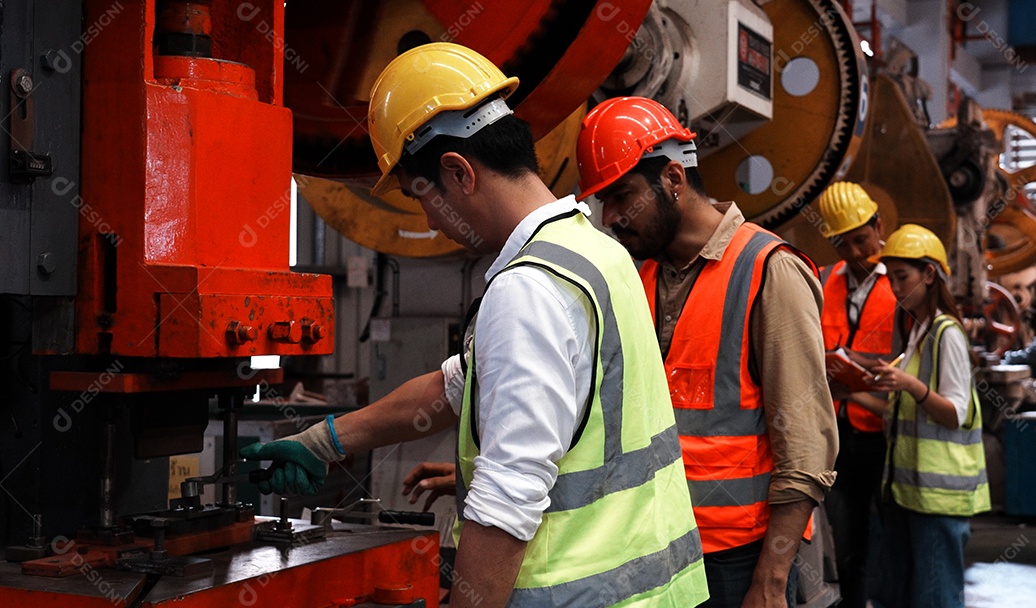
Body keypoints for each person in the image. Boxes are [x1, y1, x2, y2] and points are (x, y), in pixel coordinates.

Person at [241, 44, 708, 607]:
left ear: (458, 173)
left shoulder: (528, 286)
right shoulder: (595, 253)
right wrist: (323, 441)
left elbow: (507, 500)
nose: (433, 222)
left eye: (424, 200)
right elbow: (460, 384)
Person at [574, 96, 839, 608]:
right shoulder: (639, 276)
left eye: (622, 196)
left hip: (737, 562)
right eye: (603, 201)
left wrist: (769, 579)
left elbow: (807, 449)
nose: (610, 218)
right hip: (649, 547)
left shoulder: (767, 270)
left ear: (673, 179)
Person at [863, 224, 990, 608]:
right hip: (911, 495)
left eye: (903, 277)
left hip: (939, 500)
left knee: (935, 597)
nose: (896, 288)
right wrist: (850, 390)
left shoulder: (946, 334)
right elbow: (900, 413)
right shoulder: (920, 332)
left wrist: (908, 383)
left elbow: (955, 412)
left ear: (929, 274)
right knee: (908, 594)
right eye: (892, 278)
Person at [814, 181, 896, 608]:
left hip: (881, 433)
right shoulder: (824, 280)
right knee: (846, 543)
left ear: (878, 225)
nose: (856, 253)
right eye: (843, 245)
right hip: (836, 435)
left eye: (862, 240)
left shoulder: (901, 285)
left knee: (887, 538)